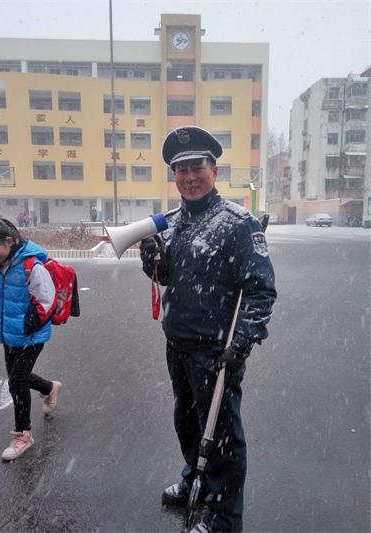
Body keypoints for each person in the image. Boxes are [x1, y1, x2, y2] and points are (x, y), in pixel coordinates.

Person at [139, 126, 277, 532]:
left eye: (196, 167)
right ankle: (194, 478)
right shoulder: (175, 222)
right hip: (178, 343)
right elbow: (170, 277)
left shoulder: (237, 224)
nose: (189, 177)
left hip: (217, 349)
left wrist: (242, 342)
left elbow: (261, 290)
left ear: (214, 171)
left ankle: (224, 517)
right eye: (180, 170)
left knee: (221, 435)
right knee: (187, 423)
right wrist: (152, 261)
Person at [0, 218, 63, 461]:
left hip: (31, 335)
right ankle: (49, 388)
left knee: (16, 382)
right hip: (8, 333)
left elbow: (46, 300)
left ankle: (23, 435)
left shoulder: (31, 265)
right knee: (18, 376)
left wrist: (30, 325)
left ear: (9, 241)